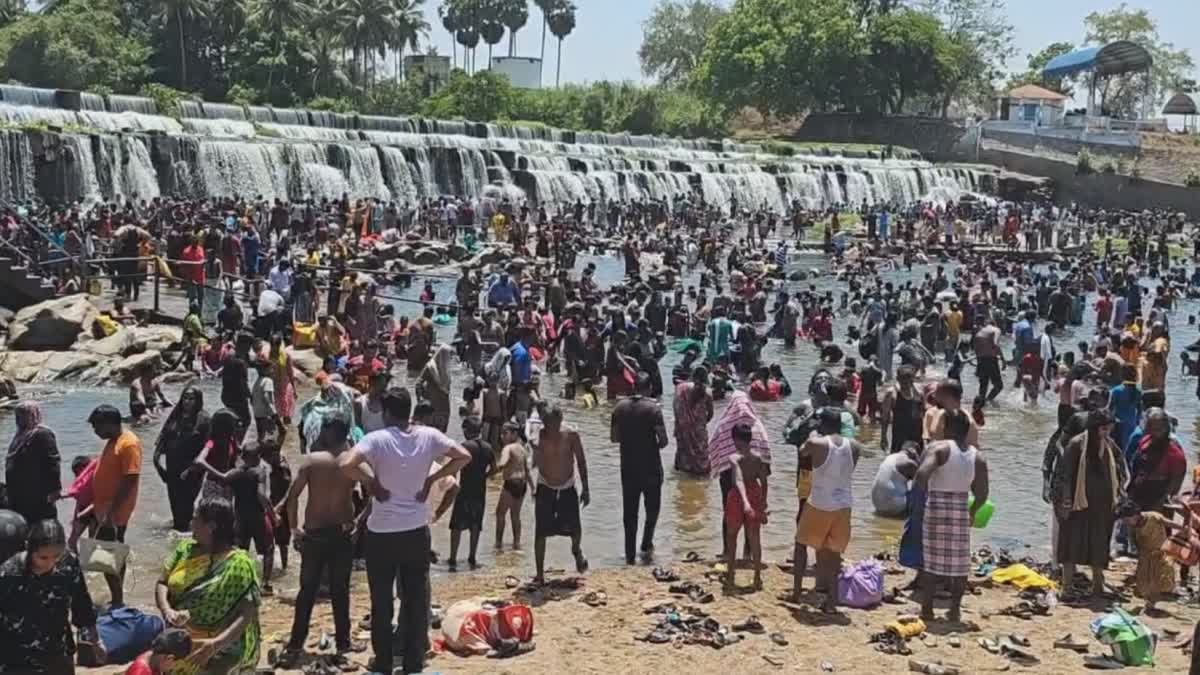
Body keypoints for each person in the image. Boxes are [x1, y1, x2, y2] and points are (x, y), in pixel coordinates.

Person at [338, 387, 470, 675]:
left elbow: (346, 464)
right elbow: (463, 457)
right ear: (408, 410)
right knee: (414, 599)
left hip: (382, 534)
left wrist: (371, 483)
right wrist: (432, 478)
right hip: (415, 530)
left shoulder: (377, 439)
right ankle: (413, 663)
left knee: (382, 601)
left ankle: (384, 663)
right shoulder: (428, 435)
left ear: (386, 413)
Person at [278, 414, 362, 667]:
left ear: (327, 433)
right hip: (341, 533)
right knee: (340, 590)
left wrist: (293, 529)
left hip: (314, 534)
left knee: (307, 592)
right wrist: (360, 519)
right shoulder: (352, 461)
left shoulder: (312, 461)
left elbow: (292, 497)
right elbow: (374, 488)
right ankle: (344, 642)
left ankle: (295, 643)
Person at [156, 498, 260, 675]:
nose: (191, 523)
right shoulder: (184, 549)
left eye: (196, 518)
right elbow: (162, 582)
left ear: (211, 526)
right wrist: (167, 610)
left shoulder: (240, 563)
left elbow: (247, 613)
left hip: (221, 648)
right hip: (180, 642)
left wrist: (216, 644)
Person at [0, 519, 102, 673]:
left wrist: (95, 641)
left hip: (58, 654)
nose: (50, 564)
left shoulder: (68, 564)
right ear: (29, 548)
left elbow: (82, 604)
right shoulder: (9, 574)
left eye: (56, 556)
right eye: (43, 558)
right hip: (17, 659)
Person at [915, 410, 989, 623]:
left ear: (946, 426)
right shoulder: (978, 456)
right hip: (960, 507)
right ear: (966, 431)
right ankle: (954, 610)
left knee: (930, 562)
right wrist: (972, 511)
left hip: (937, 506)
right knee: (960, 564)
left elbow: (921, 475)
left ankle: (927, 609)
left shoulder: (939, 448)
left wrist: (919, 501)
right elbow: (983, 493)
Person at [1051, 410, 1127, 601]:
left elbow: (1120, 469)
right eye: (1104, 428)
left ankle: (1098, 585)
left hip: (1102, 507)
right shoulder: (1076, 445)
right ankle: (1067, 586)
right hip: (1078, 505)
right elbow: (1064, 474)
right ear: (1094, 428)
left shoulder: (1109, 445)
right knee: (1070, 543)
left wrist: (1120, 493)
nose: (1107, 432)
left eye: (1109, 428)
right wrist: (1066, 501)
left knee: (1100, 543)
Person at [794, 408, 864, 612]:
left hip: (819, 503)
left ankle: (797, 593)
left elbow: (802, 451)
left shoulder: (817, 442)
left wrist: (812, 434)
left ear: (822, 424)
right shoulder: (855, 445)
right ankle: (831, 601)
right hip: (843, 506)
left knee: (801, 544)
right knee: (833, 555)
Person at [612, 373, 669, 564]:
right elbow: (663, 442)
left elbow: (614, 438)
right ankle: (645, 545)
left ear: (633, 387)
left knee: (630, 513)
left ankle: (629, 555)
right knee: (652, 509)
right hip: (650, 467)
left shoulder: (619, 408)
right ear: (649, 388)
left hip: (628, 467)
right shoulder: (654, 410)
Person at [88, 404, 141, 608]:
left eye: (97, 427)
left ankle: (117, 601)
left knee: (107, 556)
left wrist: (112, 510)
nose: (95, 432)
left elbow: (130, 478)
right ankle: (116, 597)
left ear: (110, 423)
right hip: (104, 510)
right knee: (105, 555)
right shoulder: (114, 441)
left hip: (114, 513)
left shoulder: (128, 444)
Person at [532, 403, 590, 583]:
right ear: (544, 423)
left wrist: (586, 488)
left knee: (575, 528)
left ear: (560, 421)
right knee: (540, 531)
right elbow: (530, 459)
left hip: (567, 486)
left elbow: (581, 461)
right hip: (545, 485)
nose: (552, 428)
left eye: (555, 424)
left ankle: (576, 550)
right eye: (548, 424)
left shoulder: (571, 435)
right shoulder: (538, 436)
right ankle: (540, 574)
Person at [154, 387, 211, 532]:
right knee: (174, 502)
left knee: (186, 503)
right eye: (185, 398)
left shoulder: (204, 419)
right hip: (172, 465)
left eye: (191, 399)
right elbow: (163, 437)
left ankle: (187, 533)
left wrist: (195, 465)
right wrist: (157, 462)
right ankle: (177, 533)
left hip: (192, 468)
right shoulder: (175, 415)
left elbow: (210, 443)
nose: (187, 401)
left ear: (198, 400)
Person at [723, 423, 769, 591]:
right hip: (755, 493)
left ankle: (730, 574)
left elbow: (738, 480)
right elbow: (764, 482)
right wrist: (763, 502)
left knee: (732, 536)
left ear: (735, 439)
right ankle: (757, 577)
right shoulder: (758, 458)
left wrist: (745, 502)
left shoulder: (734, 458)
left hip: (738, 497)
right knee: (755, 538)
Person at [448, 416, 494, 570]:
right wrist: (484, 477)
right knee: (475, 525)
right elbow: (494, 469)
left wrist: (451, 485)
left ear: (467, 430)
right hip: (480, 491)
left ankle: (453, 557)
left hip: (465, 489)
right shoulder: (488, 447)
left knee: (456, 525)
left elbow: (453, 467)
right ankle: (472, 556)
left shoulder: (464, 446)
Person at [5, 401, 62, 524]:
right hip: (19, 492)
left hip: (39, 491)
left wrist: (55, 489)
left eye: (24, 415)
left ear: (34, 415)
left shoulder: (43, 434)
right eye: (18, 416)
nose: (20, 419)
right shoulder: (20, 435)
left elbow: (53, 461)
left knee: (43, 525)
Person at [494, 421, 532, 550]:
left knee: (500, 514)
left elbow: (503, 463)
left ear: (514, 434)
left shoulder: (507, 448)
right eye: (501, 433)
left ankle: (498, 544)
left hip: (511, 484)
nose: (502, 436)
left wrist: (488, 473)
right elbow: (527, 470)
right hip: (522, 485)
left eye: (505, 433)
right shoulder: (523, 448)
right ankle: (517, 544)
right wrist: (533, 489)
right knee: (515, 515)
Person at [672, 366, 713, 476]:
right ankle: (701, 473)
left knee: (682, 452)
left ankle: (683, 473)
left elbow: (675, 407)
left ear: (692, 375)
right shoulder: (708, 392)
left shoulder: (681, 387)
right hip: (699, 430)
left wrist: (682, 421)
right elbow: (710, 414)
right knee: (701, 453)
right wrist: (700, 423)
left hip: (683, 427)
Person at [872, 443, 918, 517]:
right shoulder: (909, 463)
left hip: (877, 504)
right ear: (913, 451)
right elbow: (924, 482)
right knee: (921, 494)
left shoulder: (890, 457)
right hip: (894, 506)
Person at [124, 629, 193, 675]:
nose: (171, 669)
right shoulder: (141, 672)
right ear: (170, 658)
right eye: (174, 665)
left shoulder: (152, 656)